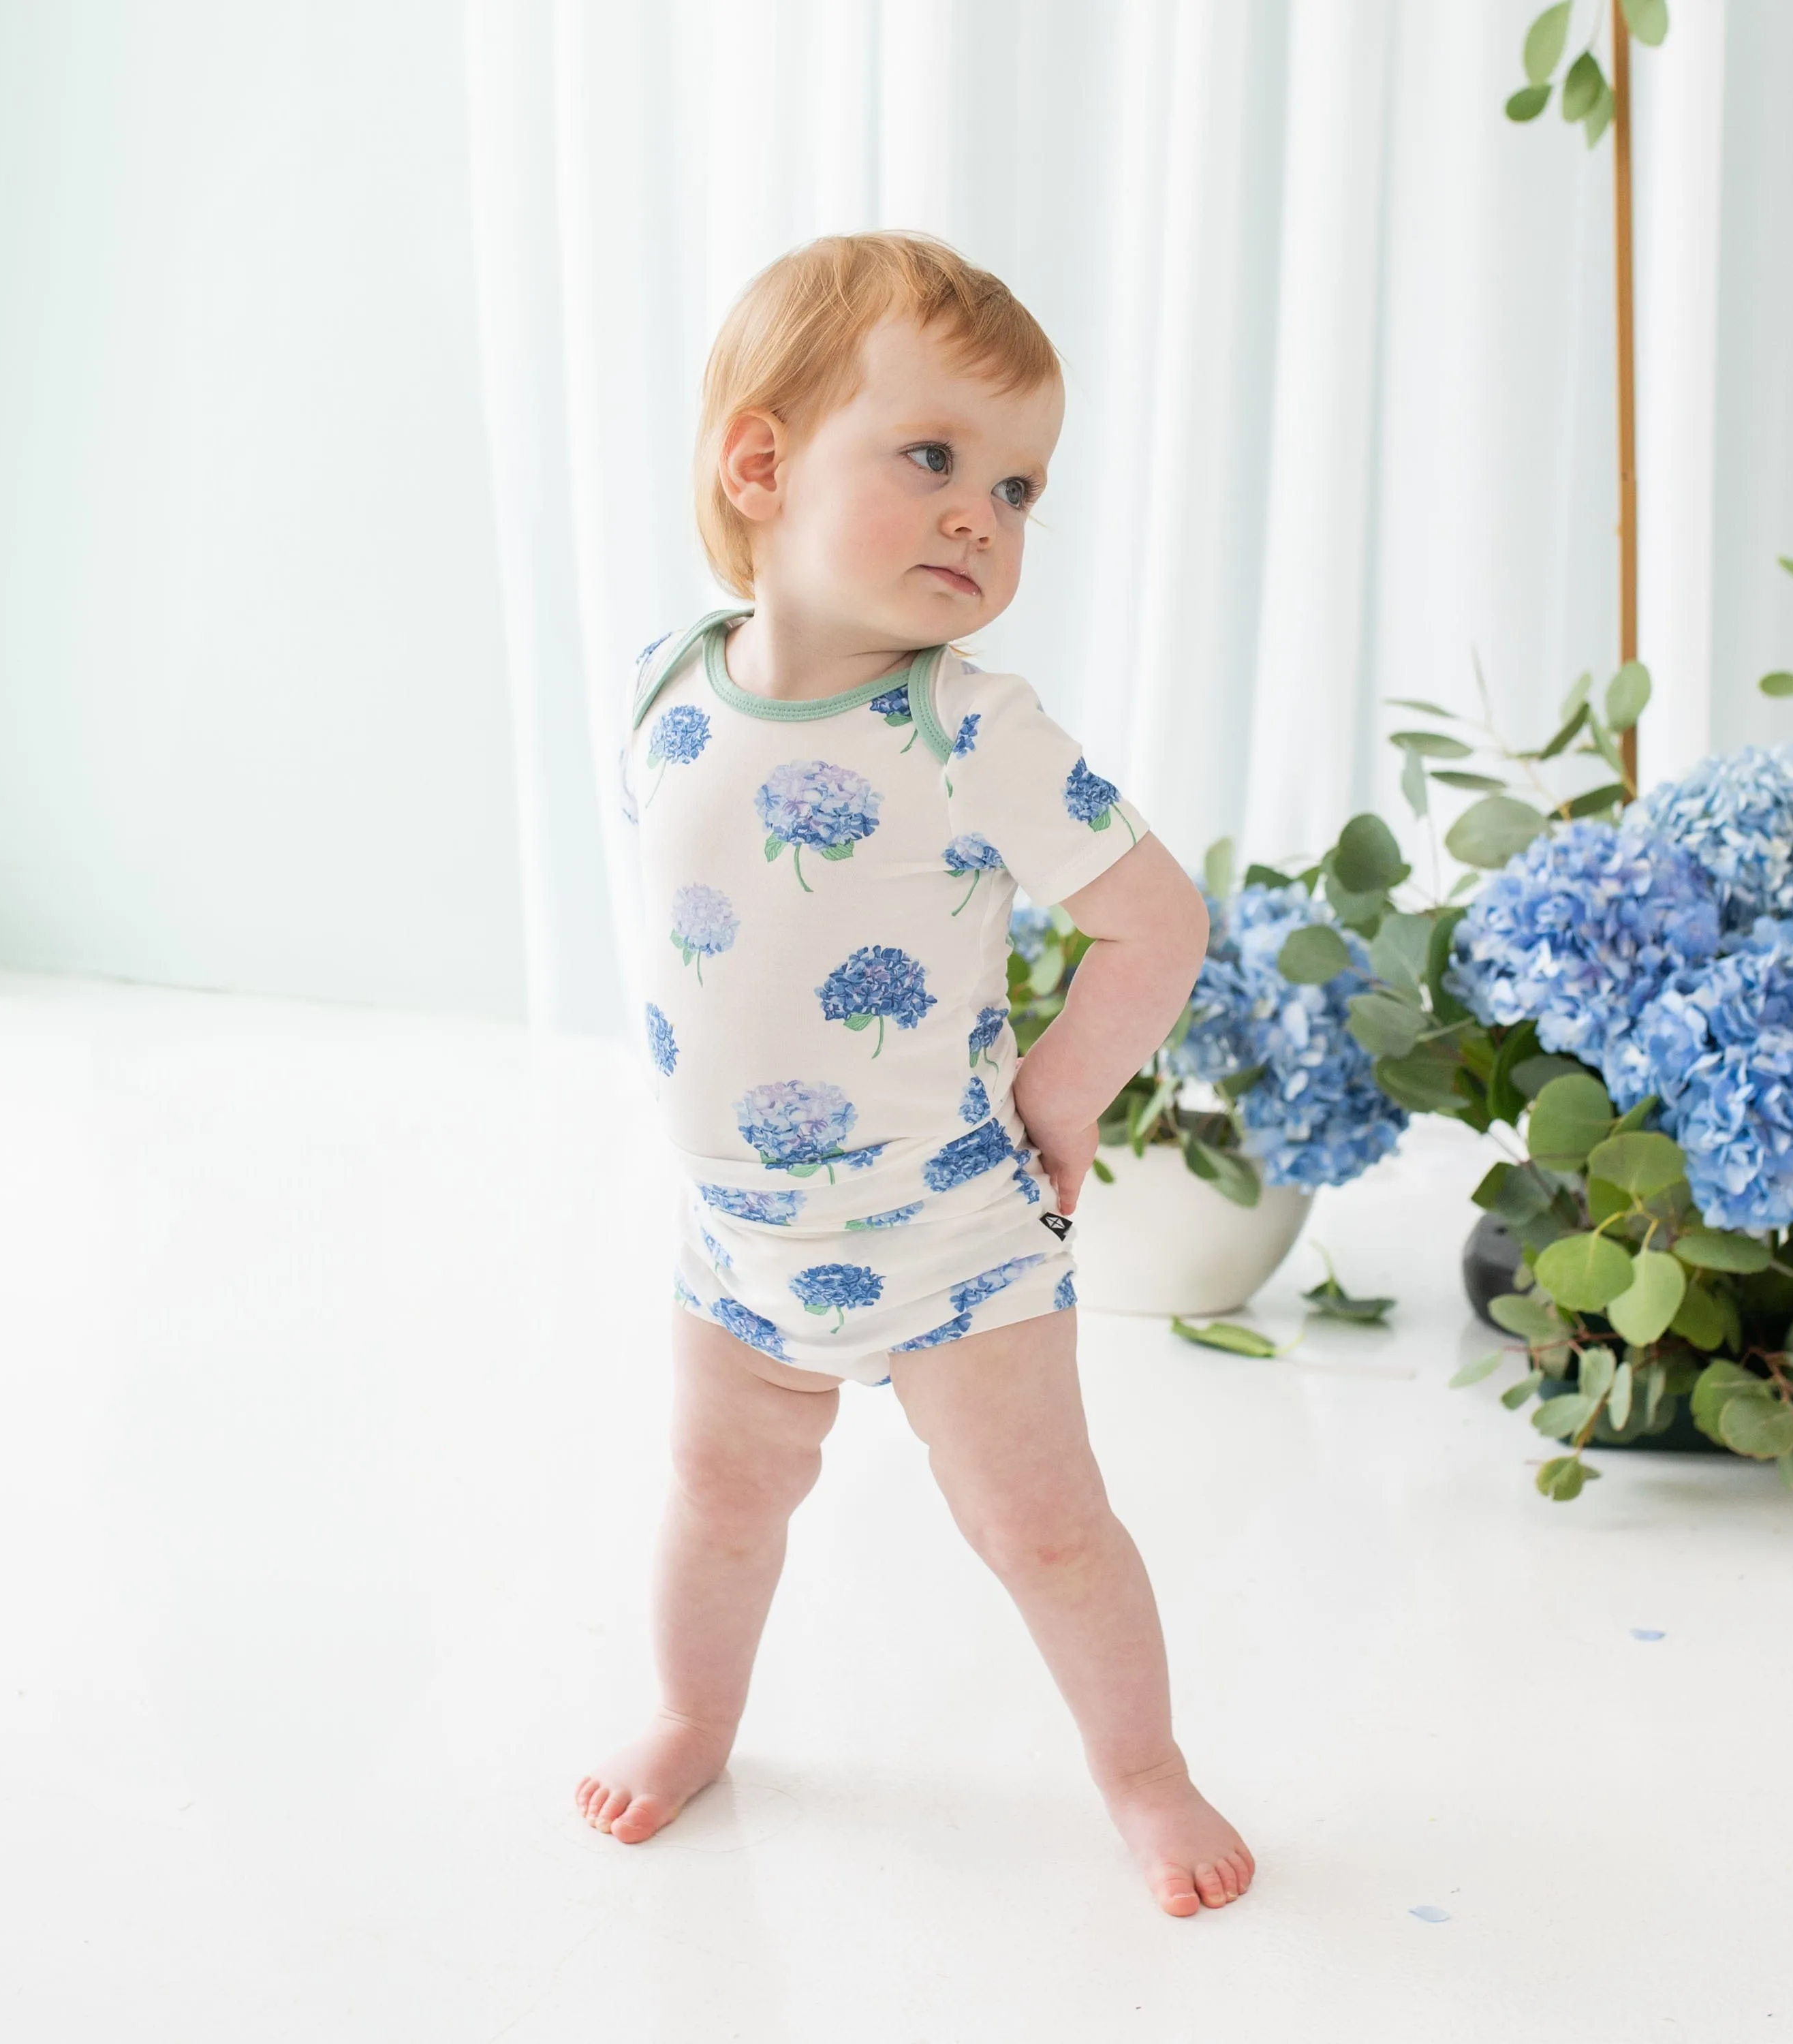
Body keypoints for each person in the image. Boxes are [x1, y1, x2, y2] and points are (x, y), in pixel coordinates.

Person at [576, 232, 1254, 1917]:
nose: (985, 514)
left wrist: (1061, 1097)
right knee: (719, 1497)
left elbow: (1155, 926)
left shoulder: (970, 728)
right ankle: (690, 1711)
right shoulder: (667, 684)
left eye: (1023, 487)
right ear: (761, 464)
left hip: (953, 1230)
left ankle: (1145, 1773)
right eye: (935, 457)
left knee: (1044, 1530)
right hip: (733, 1233)